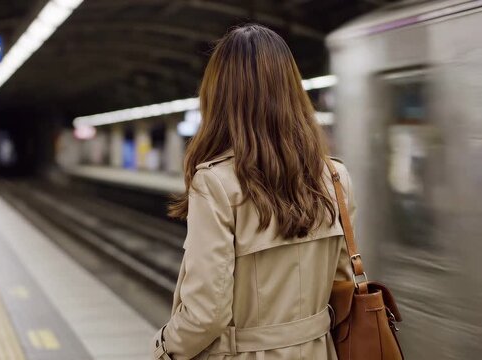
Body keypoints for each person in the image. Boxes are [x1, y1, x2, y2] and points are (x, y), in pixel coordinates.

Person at [152, 24, 355, 360]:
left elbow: (206, 315)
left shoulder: (216, 184)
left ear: (218, 96)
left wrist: (162, 347)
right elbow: (343, 284)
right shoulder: (335, 177)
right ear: (292, 91)